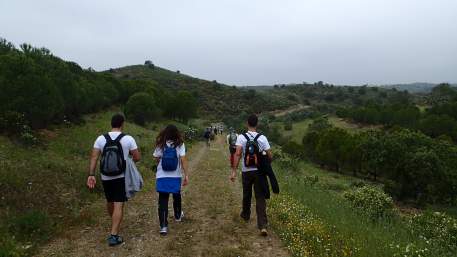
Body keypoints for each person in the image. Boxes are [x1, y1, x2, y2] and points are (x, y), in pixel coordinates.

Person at [87, 113, 141, 246]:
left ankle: (114, 224)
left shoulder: (100, 138)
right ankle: (114, 235)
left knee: (110, 200)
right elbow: (137, 157)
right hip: (121, 176)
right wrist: (128, 159)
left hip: (105, 175)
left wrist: (91, 174)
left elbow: (94, 157)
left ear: (111, 124)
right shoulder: (128, 138)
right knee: (119, 203)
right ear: (122, 124)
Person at [230, 114, 272, 236]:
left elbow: (237, 154)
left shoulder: (241, 137)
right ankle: (262, 225)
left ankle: (245, 215)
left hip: (246, 171)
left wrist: (233, 171)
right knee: (260, 197)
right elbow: (270, 155)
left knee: (247, 194)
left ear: (247, 124)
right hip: (259, 172)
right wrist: (266, 164)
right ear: (257, 124)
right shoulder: (262, 138)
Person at [153, 125, 189, 235]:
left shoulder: (161, 144)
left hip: (162, 175)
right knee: (176, 195)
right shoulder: (180, 144)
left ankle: (163, 226)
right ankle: (178, 216)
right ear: (176, 133)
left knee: (163, 199)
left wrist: (160, 159)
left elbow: (155, 157)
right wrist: (186, 175)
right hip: (175, 175)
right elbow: (183, 160)